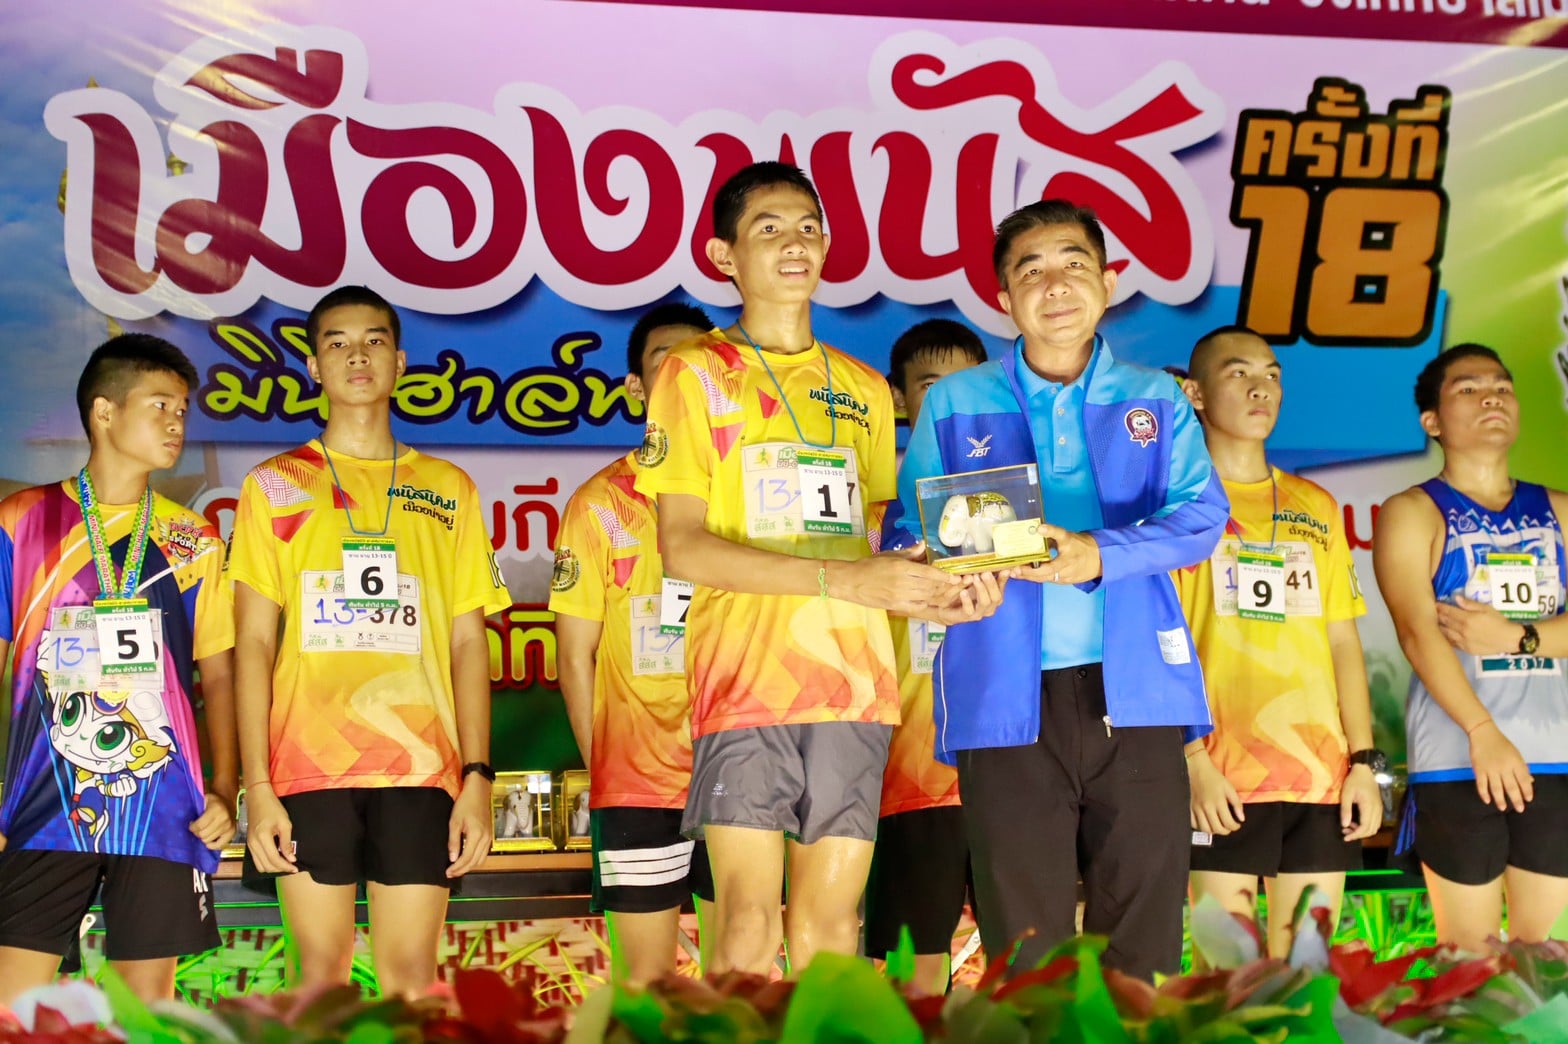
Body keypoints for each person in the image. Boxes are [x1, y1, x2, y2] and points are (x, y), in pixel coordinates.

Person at [635, 161, 1002, 977]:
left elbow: (878, 543)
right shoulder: (694, 373)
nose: (794, 243)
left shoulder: (864, 388)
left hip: (855, 684)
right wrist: (848, 581)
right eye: (768, 229)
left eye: (808, 227)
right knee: (744, 925)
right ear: (724, 256)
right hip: (745, 683)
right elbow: (682, 547)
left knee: (832, 931)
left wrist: (940, 587)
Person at [887, 199, 1229, 981]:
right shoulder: (956, 401)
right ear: (1003, 299)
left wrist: (1095, 553)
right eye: (1031, 271)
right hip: (1001, 696)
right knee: (1024, 945)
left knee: (1140, 941)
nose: (1055, 285)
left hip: (1138, 691)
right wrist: (932, 566)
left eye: (1074, 264)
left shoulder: (1156, 397)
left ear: (1108, 282)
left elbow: (1203, 518)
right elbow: (909, 526)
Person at [229, 285, 510, 997]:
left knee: (411, 982)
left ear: (400, 362)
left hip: (422, 769)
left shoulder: (449, 488)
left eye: (374, 341)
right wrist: (257, 787)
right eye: (337, 343)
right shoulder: (274, 486)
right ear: (314, 367)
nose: (357, 355)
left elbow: (469, 643)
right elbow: (253, 644)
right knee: (317, 981)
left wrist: (478, 776)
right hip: (306, 769)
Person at [0, 334, 235, 1004]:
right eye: (160, 405)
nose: (176, 423)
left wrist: (224, 786)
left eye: (183, 410)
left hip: (164, 804)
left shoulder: (193, 539)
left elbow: (217, 674)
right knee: (12, 1008)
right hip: (41, 800)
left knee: (146, 1012)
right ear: (104, 412)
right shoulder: (22, 521)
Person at [1176, 326, 1381, 959]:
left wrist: (1364, 764)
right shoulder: (1173, 506)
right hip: (1220, 776)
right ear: (1195, 394)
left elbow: (1342, 641)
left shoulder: (1314, 505)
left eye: (1271, 374)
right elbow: (1157, 644)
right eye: (1238, 373)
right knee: (1226, 977)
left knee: (1308, 973)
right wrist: (1192, 762)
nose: (1261, 387)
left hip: (1320, 778)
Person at [1374, 343, 1568, 955]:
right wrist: (1483, 731)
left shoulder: (1561, 510)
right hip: (1458, 757)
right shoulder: (1412, 512)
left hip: (1555, 757)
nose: (1492, 398)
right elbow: (1416, 632)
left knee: (1544, 959)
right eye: (1469, 389)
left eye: (1502, 387)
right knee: (1469, 957)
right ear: (1432, 421)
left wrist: (1517, 637)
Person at [550, 301, 717, 987]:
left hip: (742, 767)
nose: (682, 376)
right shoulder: (598, 504)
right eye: (664, 363)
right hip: (638, 781)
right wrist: (607, 771)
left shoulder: (747, 495)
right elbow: (573, 656)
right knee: (646, 986)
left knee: (742, 972)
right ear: (635, 388)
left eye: (698, 364)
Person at [865, 319, 988, 995]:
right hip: (910, 776)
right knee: (917, 974)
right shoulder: (872, 517)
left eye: (967, 385)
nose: (951, 402)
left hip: (1013, 771)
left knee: (1031, 957)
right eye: (932, 386)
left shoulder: (1019, 506)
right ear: (900, 398)